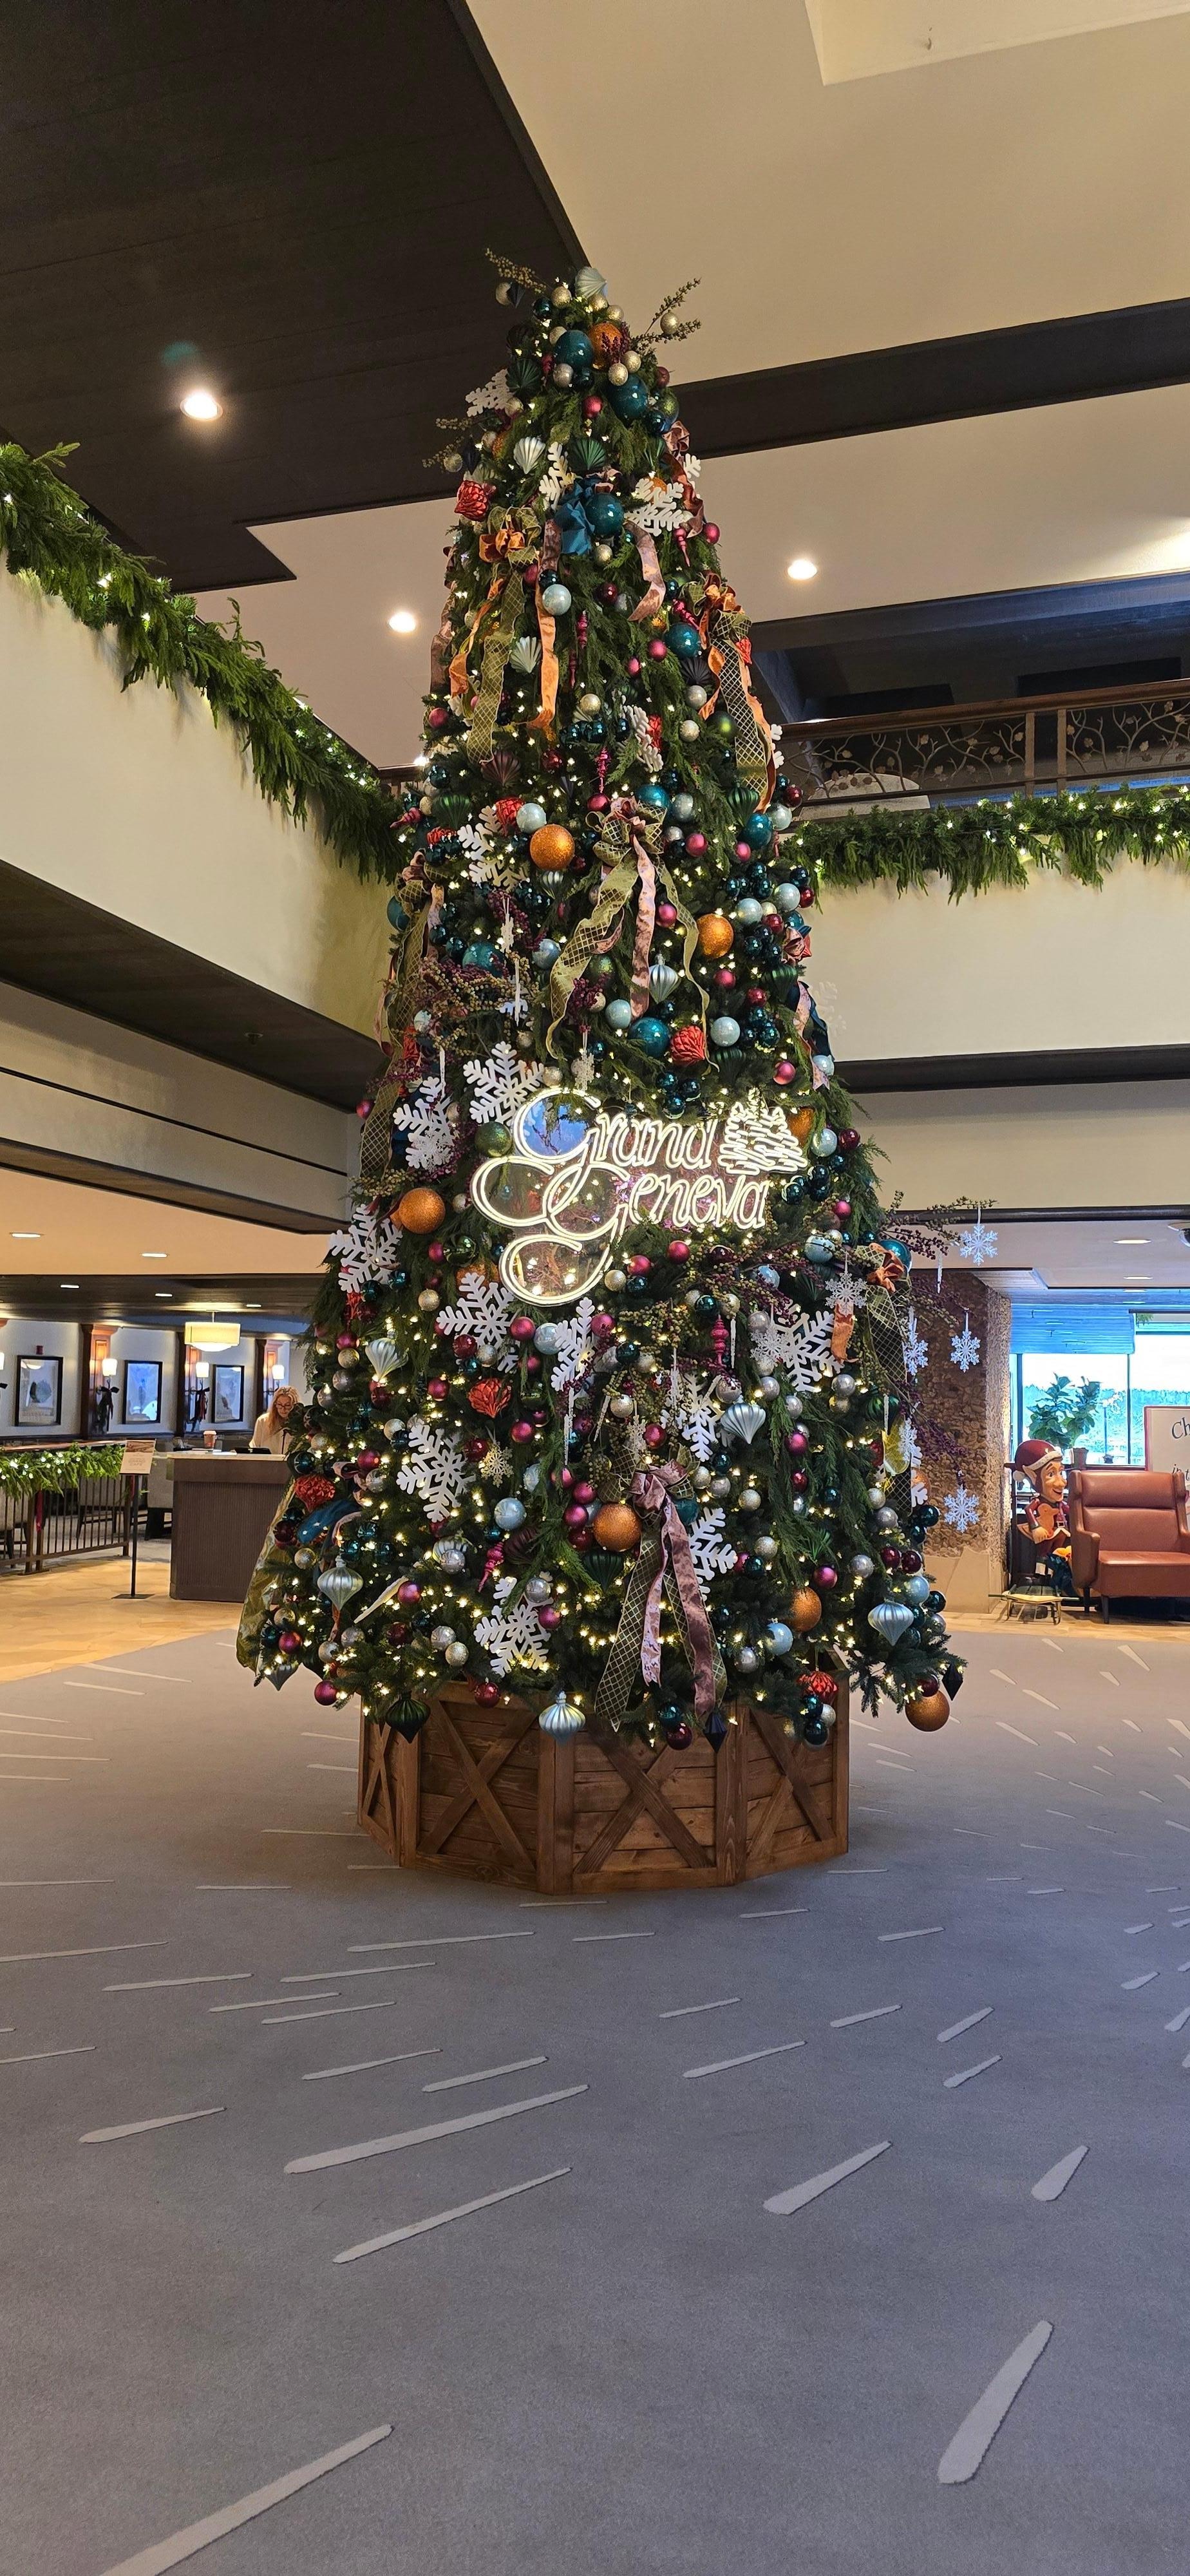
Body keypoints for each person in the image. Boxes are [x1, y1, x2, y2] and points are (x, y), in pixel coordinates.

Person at [250, 1384, 299, 1454]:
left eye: (287, 1405)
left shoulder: (301, 1423)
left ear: (295, 1405)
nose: (283, 1409)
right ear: (275, 1404)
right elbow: (255, 1447)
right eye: (279, 1405)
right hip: (267, 1461)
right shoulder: (263, 1421)